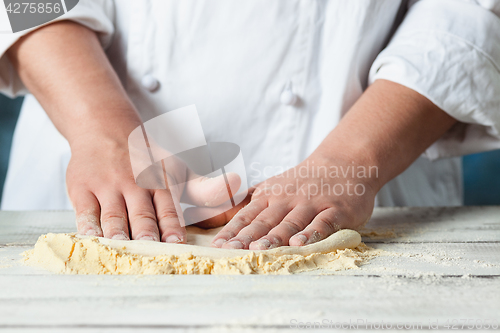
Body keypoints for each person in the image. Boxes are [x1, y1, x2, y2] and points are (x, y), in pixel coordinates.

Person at [1, 0, 499, 250]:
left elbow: (466, 11)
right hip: (92, 145)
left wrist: (350, 161)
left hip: (364, 147)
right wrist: (101, 128)